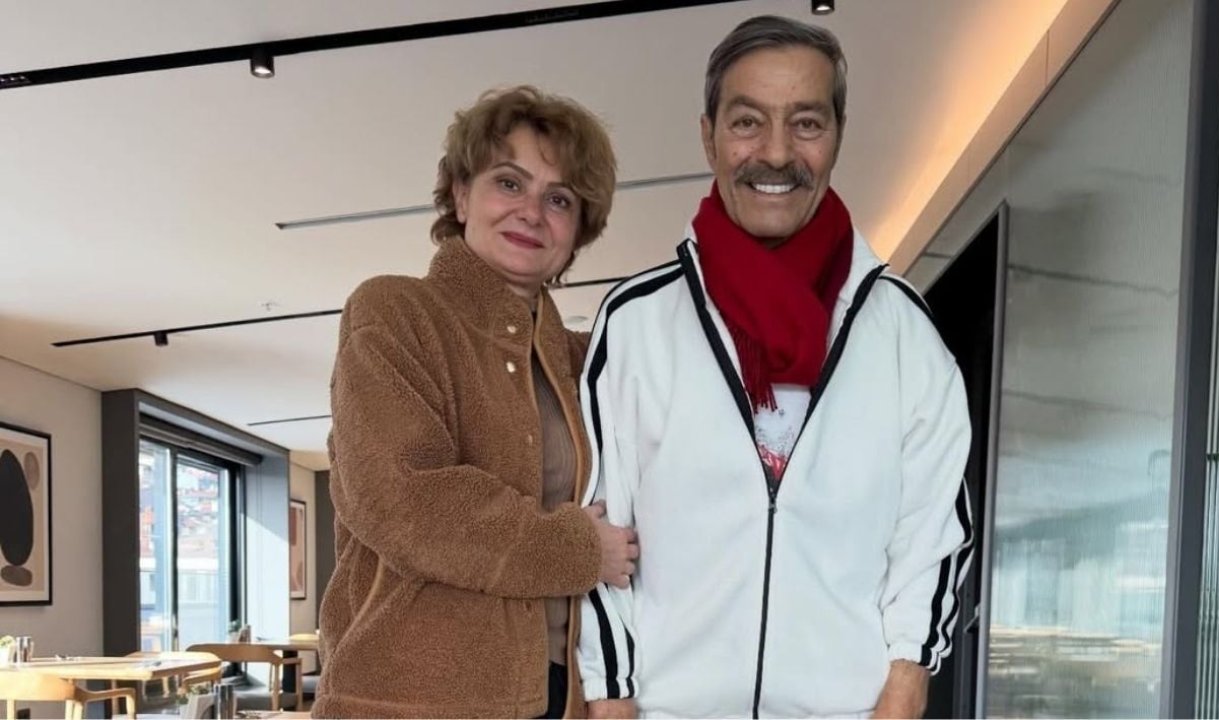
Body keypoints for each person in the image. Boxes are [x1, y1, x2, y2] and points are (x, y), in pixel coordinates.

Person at [577, 16, 974, 719]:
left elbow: (932, 531)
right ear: (709, 137)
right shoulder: (637, 322)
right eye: (747, 123)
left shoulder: (903, 332)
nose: (777, 152)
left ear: (838, 136)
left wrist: (907, 680)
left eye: (807, 123)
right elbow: (599, 526)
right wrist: (611, 696)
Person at [313, 85, 639, 719]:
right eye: (508, 183)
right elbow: (402, 499)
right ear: (461, 195)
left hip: (560, 696)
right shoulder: (395, 312)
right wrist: (579, 551)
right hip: (412, 700)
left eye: (559, 199)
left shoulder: (586, 360)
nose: (531, 212)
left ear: (579, 229)